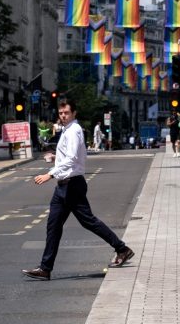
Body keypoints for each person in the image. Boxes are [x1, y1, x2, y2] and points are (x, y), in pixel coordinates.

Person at [22, 98, 133, 280]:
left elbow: (72, 159)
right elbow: (68, 156)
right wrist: (54, 157)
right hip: (63, 186)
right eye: (60, 113)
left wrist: (50, 174)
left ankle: (122, 248)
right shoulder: (67, 131)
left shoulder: (74, 131)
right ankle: (45, 268)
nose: (63, 116)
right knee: (53, 226)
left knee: (88, 221)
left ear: (74, 113)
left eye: (66, 113)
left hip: (72, 185)